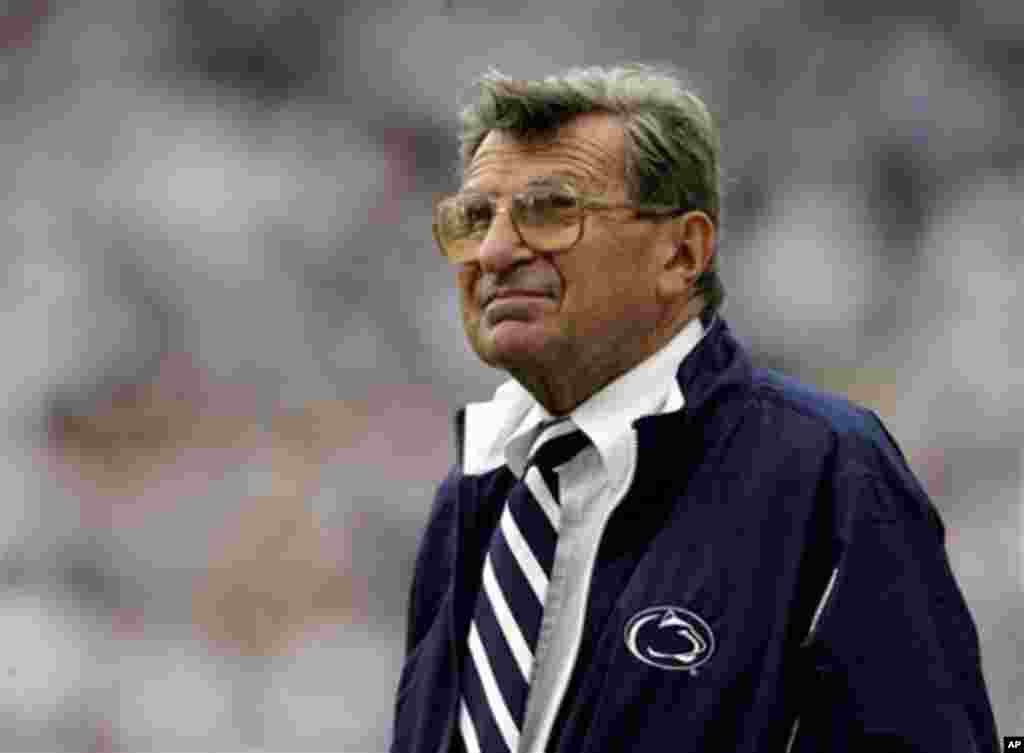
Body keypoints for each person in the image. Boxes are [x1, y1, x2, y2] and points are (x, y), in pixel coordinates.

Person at [391, 64, 998, 753]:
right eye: (474, 218)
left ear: (683, 252)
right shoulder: (476, 494)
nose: (496, 250)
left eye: (552, 210)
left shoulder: (825, 474)